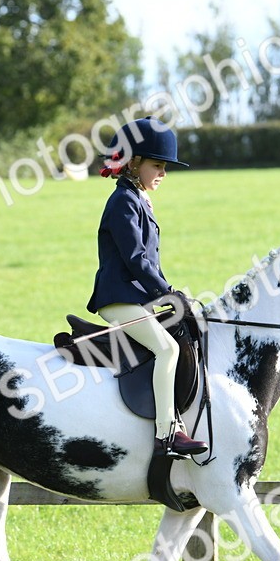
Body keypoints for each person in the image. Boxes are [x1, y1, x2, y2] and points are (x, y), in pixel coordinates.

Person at [86, 117, 208, 459]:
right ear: (134, 162)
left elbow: (148, 264)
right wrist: (169, 294)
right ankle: (167, 434)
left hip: (136, 298)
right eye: (158, 165)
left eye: (165, 166)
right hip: (117, 299)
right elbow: (138, 260)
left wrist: (169, 295)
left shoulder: (137, 198)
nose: (163, 173)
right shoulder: (123, 202)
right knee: (166, 350)